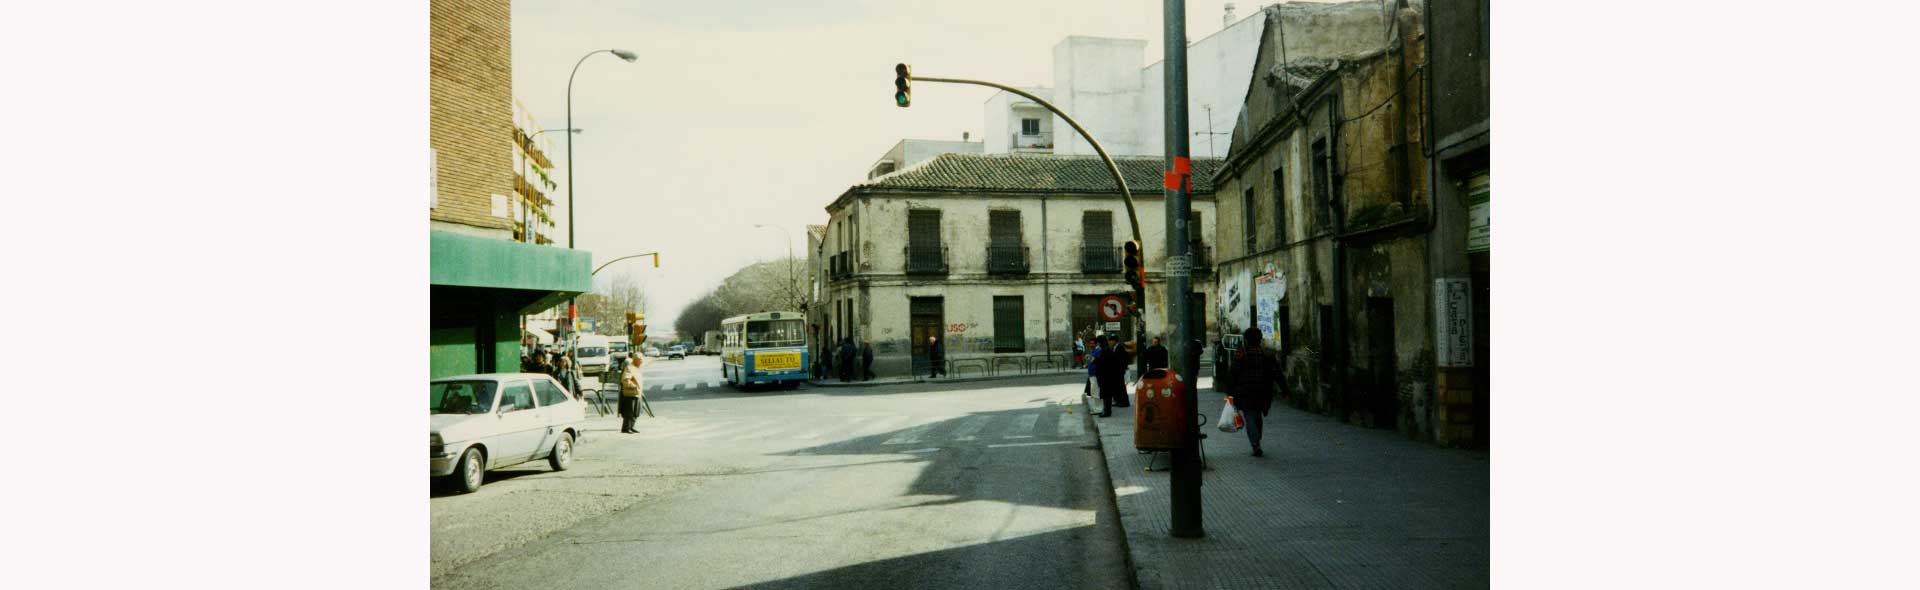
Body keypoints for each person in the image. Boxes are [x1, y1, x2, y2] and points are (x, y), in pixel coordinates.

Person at [1232, 327, 1286, 457]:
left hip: (1245, 391)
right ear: (1260, 339)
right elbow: (1277, 373)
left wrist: (1230, 392)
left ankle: (1255, 444)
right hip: (1262, 391)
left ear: (1246, 340)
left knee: (1250, 417)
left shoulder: (1240, 354)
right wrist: (1285, 389)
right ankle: (1257, 440)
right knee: (1257, 416)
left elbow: (1233, 373)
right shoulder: (1267, 354)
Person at [618, 353, 645, 433]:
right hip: (630, 393)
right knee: (629, 412)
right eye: (640, 360)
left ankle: (632, 426)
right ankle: (626, 428)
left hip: (636, 393)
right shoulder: (630, 368)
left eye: (641, 360)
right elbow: (625, 380)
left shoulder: (637, 368)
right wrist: (633, 386)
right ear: (635, 360)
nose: (641, 362)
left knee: (636, 412)